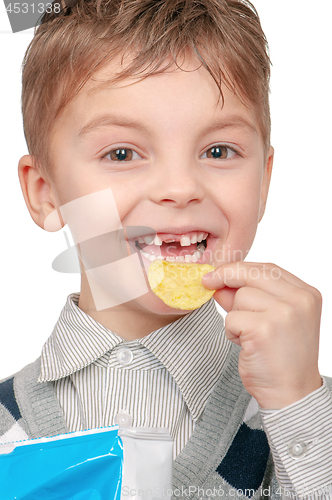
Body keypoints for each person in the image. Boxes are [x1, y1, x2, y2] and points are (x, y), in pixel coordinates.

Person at [1, 0, 331, 497]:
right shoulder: (8, 427)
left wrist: (297, 406)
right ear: (45, 192)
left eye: (218, 151)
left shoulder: (307, 414)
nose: (179, 188)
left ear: (264, 181)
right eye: (122, 153)